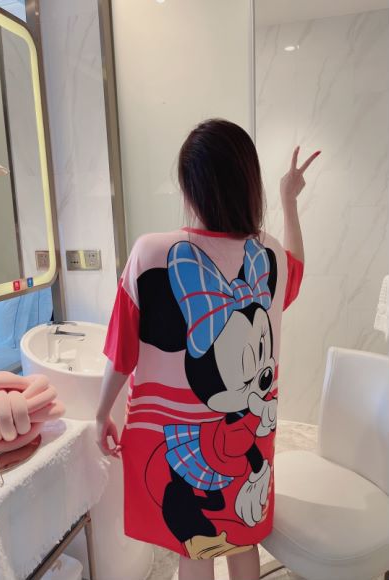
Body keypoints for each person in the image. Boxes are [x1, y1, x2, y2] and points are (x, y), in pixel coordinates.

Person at [96, 118, 320, 580]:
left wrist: (102, 414)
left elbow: (121, 352)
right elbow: (296, 270)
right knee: (243, 538)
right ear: (249, 184)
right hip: (252, 434)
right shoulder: (269, 256)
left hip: (178, 439)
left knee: (193, 549)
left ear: (188, 188)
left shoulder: (150, 254)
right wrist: (289, 201)